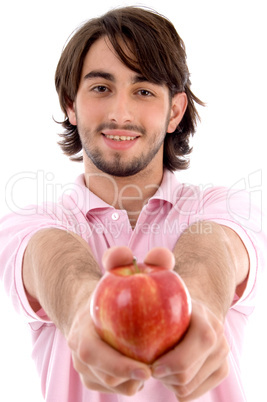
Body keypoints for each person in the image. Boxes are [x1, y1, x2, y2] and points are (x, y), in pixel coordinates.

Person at [0, 6, 265, 402]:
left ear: (174, 111)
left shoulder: (228, 208)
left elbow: (215, 251)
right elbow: (49, 257)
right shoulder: (28, 223)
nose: (119, 114)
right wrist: (83, 309)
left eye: (143, 91)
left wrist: (200, 304)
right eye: (101, 88)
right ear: (70, 104)